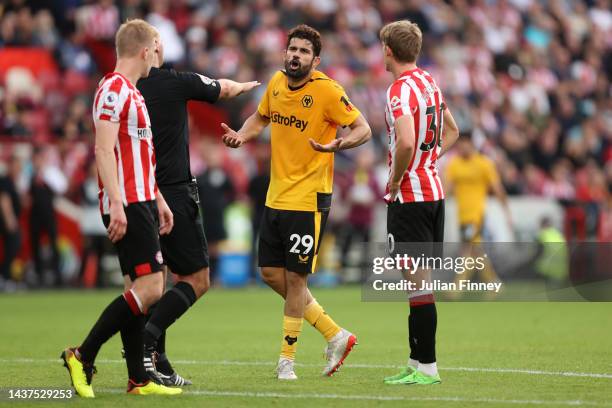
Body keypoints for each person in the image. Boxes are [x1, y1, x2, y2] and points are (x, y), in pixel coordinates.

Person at [222, 24, 372, 380]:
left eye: (304, 51)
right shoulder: (275, 84)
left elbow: (363, 128)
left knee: (296, 279)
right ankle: (336, 334)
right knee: (271, 274)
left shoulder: (328, 92)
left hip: (308, 198)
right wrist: (242, 136)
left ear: (315, 60)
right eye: (293, 49)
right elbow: (260, 117)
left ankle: (286, 360)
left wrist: (339, 144)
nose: (296, 55)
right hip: (276, 196)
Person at [60, 19, 181, 397]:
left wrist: (158, 199)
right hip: (127, 201)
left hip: (143, 199)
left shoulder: (133, 92)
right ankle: (82, 353)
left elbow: (140, 155)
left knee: (138, 290)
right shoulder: (113, 89)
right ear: (145, 51)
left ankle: (137, 380)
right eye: (156, 50)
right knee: (151, 287)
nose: (157, 57)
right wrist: (117, 203)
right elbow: (102, 149)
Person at [136, 36, 259, 386]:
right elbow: (225, 89)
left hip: (136, 194)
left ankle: (155, 362)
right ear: (153, 50)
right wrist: (247, 85)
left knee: (154, 284)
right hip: (172, 193)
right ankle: (144, 341)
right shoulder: (175, 81)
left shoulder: (121, 88)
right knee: (197, 279)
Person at [379, 20, 459, 386]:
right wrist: (430, 160)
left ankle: (427, 366)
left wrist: (396, 179)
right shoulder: (429, 83)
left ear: (389, 51)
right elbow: (453, 131)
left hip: (410, 197)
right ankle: (417, 362)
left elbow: (407, 142)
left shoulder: (399, 90)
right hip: (434, 193)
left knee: (417, 284)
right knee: (419, 284)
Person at [445, 133, 512, 288]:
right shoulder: (454, 164)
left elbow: (498, 189)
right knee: (476, 250)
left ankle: (456, 287)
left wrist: (506, 212)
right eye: (460, 144)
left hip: (477, 215)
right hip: (462, 215)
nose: (463, 147)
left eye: (466, 143)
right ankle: (493, 283)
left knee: (467, 249)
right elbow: (445, 188)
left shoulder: (483, 164)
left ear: (472, 144)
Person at [0, 154, 22, 292]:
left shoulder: (12, 182)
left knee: (12, 248)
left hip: (6, 221)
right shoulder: (6, 181)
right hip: (5, 221)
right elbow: (4, 200)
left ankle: (5, 277)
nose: (18, 169)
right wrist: (10, 219)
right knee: (12, 247)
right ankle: (4, 277)